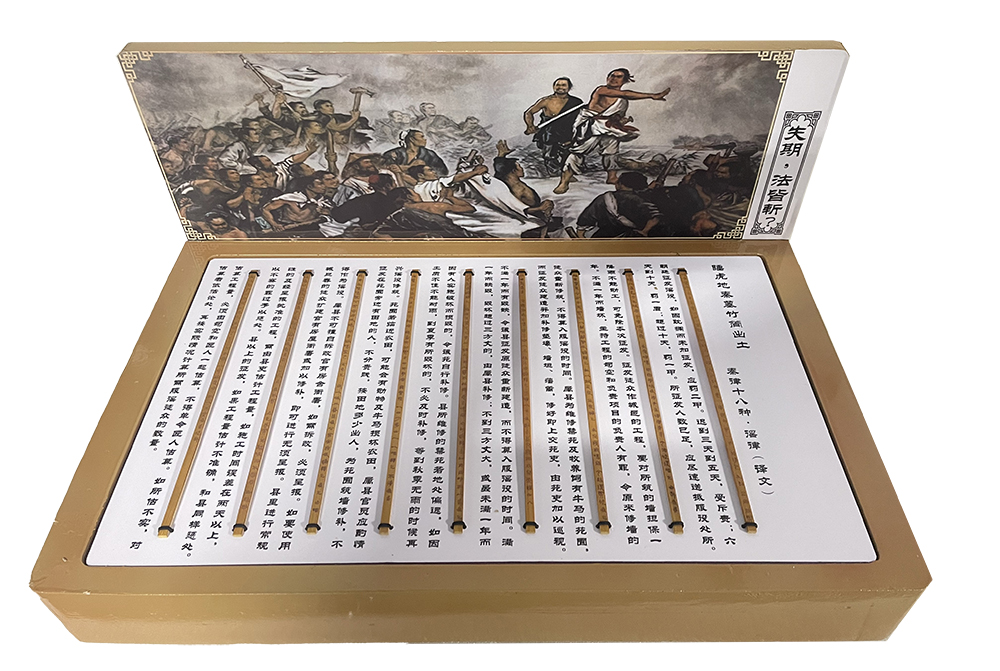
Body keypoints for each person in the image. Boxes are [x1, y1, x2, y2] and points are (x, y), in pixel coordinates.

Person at [553, 69, 671, 194]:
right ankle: (564, 182)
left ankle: (612, 177)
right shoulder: (601, 90)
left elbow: (617, 115)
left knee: (611, 151)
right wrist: (652, 96)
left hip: (609, 127)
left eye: (618, 77)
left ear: (625, 80)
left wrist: (620, 121)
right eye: (612, 76)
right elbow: (625, 93)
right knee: (578, 151)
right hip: (592, 126)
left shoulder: (623, 101)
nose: (614, 78)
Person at [523, 77, 584, 174]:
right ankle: (554, 176)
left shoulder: (577, 102)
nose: (560, 87)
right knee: (550, 156)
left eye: (563, 85)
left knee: (569, 156)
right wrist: (530, 126)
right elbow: (528, 113)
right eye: (558, 85)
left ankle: (569, 175)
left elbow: (582, 119)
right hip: (550, 133)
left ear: (569, 87)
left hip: (568, 133)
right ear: (554, 86)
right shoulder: (546, 101)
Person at [575, 171, 661, 237]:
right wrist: (644, 232)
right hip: (638, 239)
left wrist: (580, 236)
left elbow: (586, 219)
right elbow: (655, 217)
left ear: (621, 185)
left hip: (607, 237)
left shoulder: (606, 197)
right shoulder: (645, 198)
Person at [381, 129, 449, 176]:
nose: (425, 139)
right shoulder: (394, 154)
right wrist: (409, 167)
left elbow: (443, 171)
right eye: (422, 137)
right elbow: (384, 169)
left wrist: (425, 169)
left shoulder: (429, 155)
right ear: (412, 139)